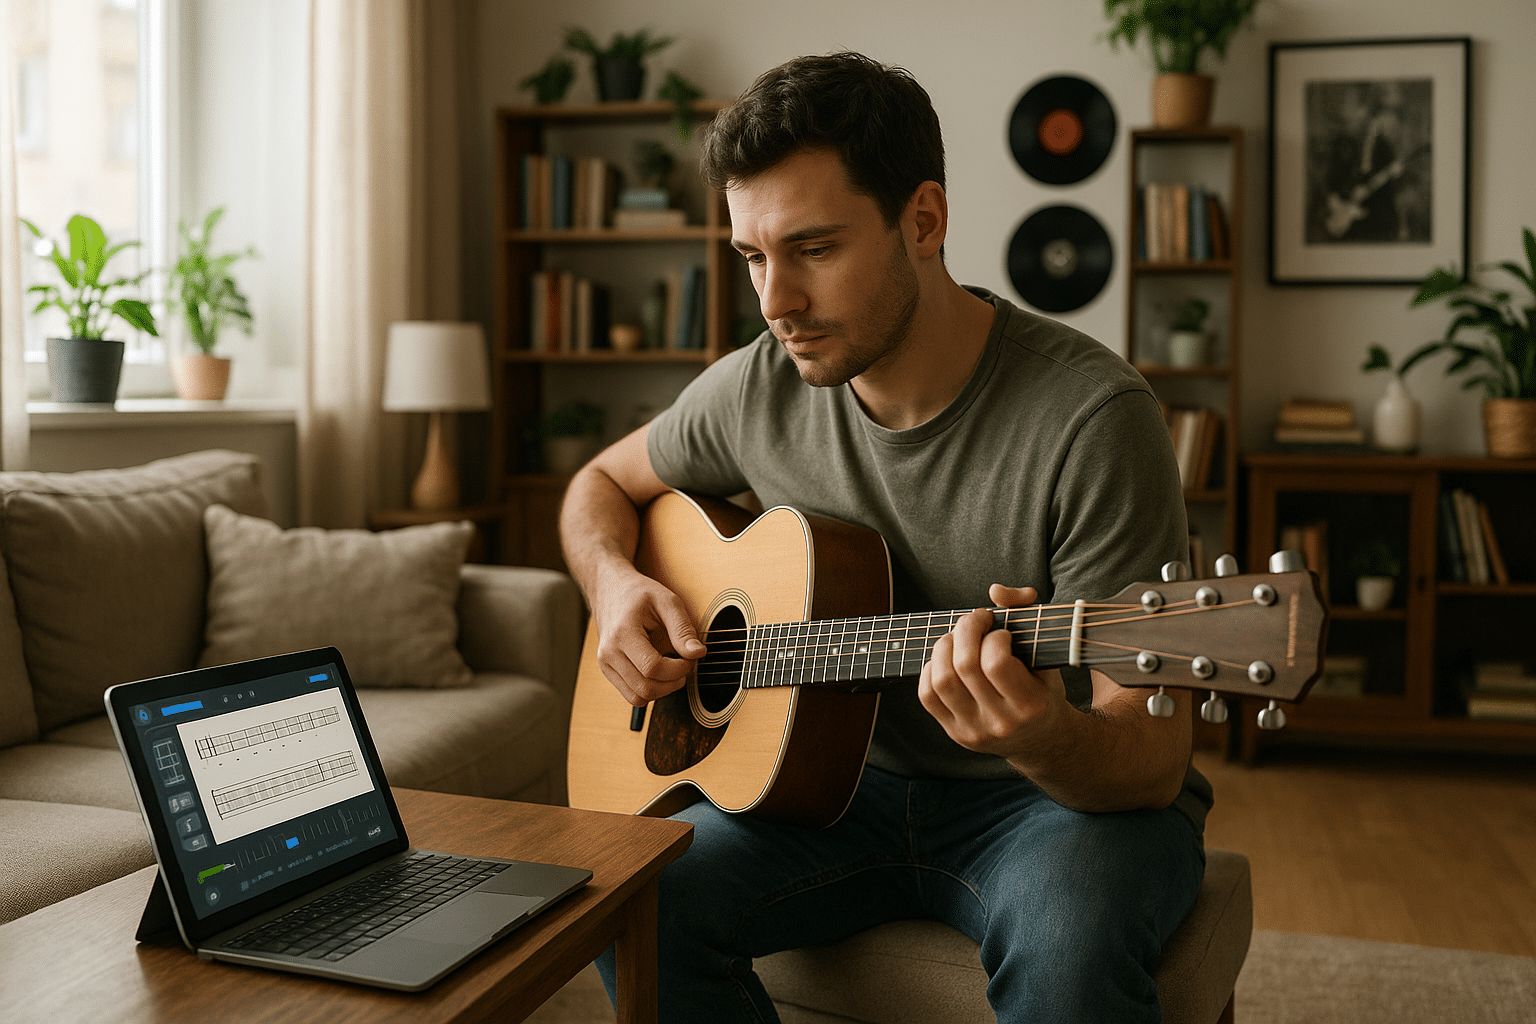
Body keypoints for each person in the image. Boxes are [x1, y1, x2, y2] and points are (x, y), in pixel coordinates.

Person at [559, 51, 1212, 1024]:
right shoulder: (757, 386)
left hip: (1047, 802)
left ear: (925, 221)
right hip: (828, 792)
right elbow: (599, 484)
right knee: (635, 903)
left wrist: (1045, 732)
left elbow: (1152, 755)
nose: (775, 301)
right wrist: (614, 584)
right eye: (751, 257)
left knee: (1070, 959)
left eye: (813, 248)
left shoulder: (1093, 417)